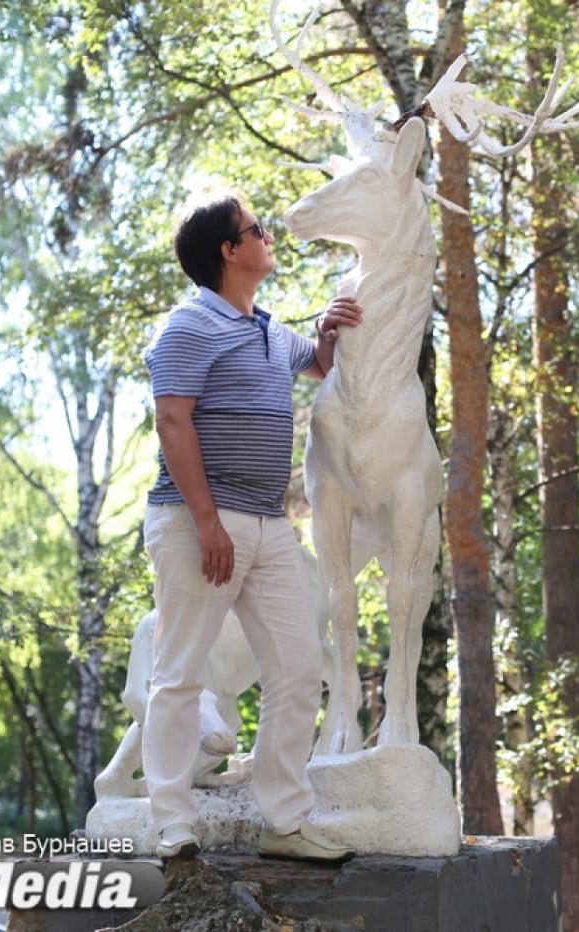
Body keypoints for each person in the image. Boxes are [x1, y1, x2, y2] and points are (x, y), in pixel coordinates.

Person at [139, 190, 361, 862]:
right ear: (229, 251)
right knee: (180, 675)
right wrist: (208, 524)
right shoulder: (187, 328)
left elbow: (318, 364)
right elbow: (173, 421)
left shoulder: (267, 328)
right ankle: (172, 821)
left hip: (267, 526)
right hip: (195, 523)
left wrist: (326, 326)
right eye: (256, 230)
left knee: (298, 668)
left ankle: (285, 822)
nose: (268, 237)